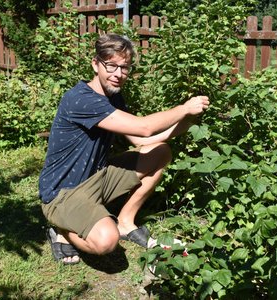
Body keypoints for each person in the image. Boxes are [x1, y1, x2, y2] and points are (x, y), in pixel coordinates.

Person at [38, 33, 210, 264]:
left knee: (161, 152)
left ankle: (125, 223)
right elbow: (145, 127)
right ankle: (61, 231)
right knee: (106, 241)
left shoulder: (113, 97)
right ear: (95, 64)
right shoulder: (81, 100)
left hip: (98, 178)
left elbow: (140, 140)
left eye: (125, 67)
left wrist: (187, 121)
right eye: (111, 66)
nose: (118, 74)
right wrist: (184, 108)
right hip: (63, 194)